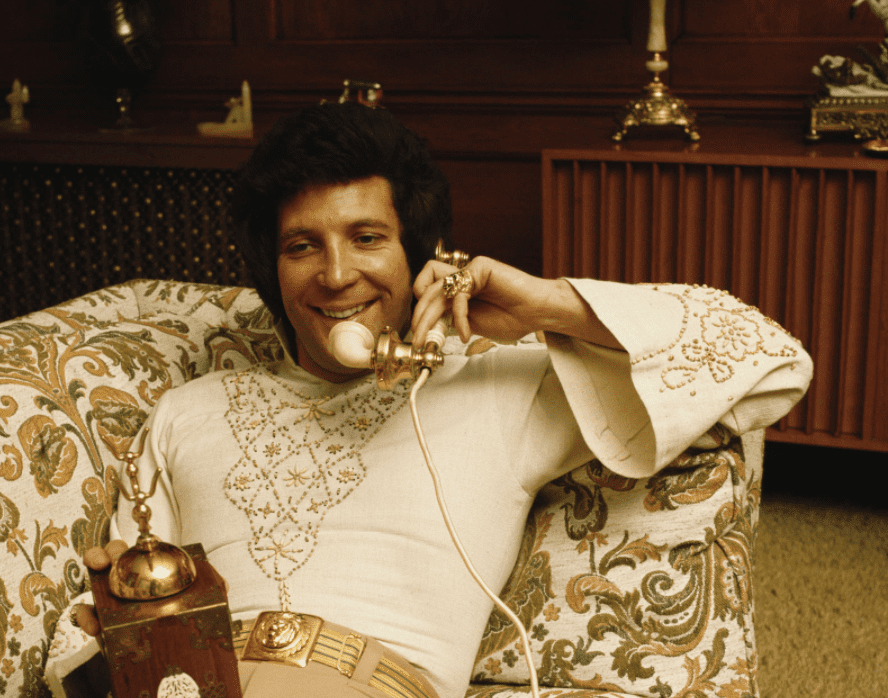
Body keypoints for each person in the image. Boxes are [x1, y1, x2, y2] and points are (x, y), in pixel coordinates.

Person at [62, 101, 812, 698]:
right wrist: (113, 621)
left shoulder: (498, 383)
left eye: (366, 238)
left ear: (417, 255)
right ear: (272, 267)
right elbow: (129, 641)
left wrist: (548, 307)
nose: (334, 275)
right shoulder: (190, 409)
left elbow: (774, 367)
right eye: (301, 246)